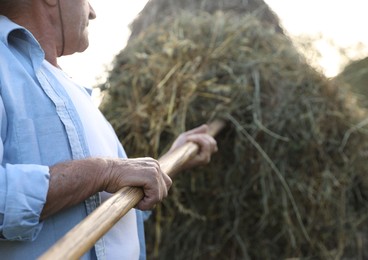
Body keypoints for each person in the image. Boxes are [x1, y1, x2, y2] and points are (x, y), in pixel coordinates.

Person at [0, 0, 218, 259]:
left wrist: (170, 161)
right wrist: (103, 171)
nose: (92, 12)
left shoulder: (73, 92)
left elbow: (111, 206)